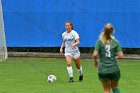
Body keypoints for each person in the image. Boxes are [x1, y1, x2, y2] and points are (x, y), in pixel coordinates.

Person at [93, 23, 123, 93]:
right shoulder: (116, 42)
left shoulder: (99, 42)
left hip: (103, 69)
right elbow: (121, 55)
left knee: (106, 90)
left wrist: (95, 62)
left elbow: (95, 54)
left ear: (104, 30)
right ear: (112, 31)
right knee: (115, 87)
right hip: (114, 68)